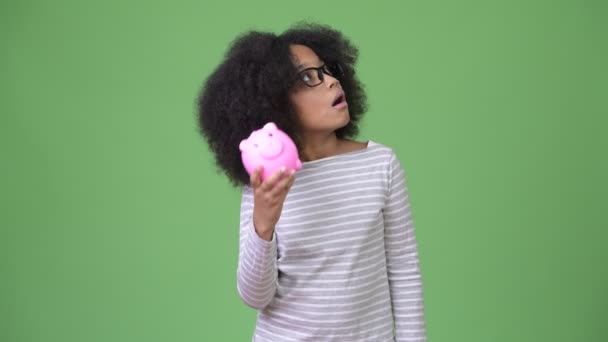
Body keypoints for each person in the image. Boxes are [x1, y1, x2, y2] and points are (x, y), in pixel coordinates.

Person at [197, 22, 427, 342]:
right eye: (308, 78)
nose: (332, 81)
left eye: (328, 70)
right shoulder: (267, 182)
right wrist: (263, 224)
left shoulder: (380, 164)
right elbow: (256, 297)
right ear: (273, 103)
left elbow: (404, 273)